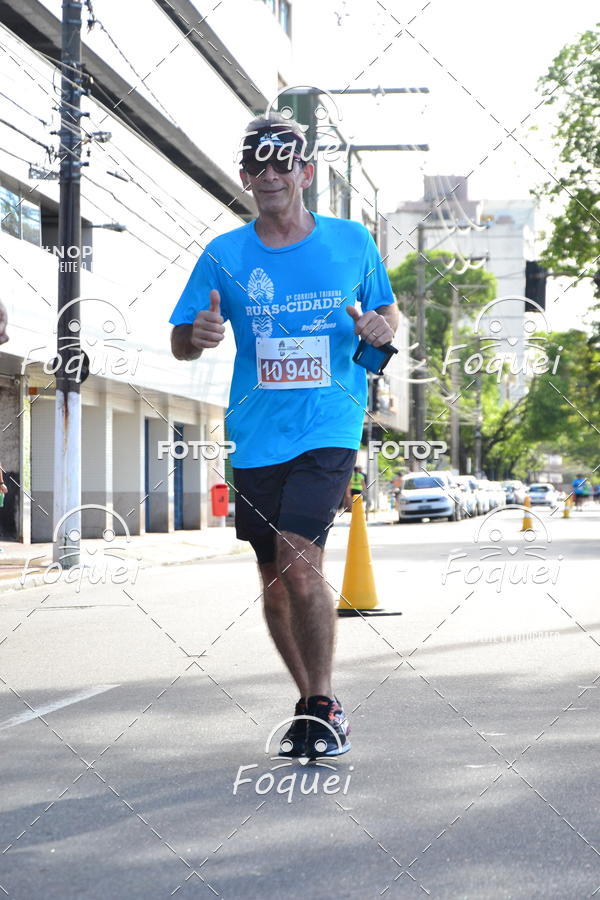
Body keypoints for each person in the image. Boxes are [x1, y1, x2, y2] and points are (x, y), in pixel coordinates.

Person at [169, 114, 398, 758]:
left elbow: (385, 311)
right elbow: (181, 340)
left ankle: (326, 703)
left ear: (305, 172)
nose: (269, 176)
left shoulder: (352, 242)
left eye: (282, 164)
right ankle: (306, 701)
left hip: (329, 421)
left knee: (301, 560)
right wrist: (197, 337)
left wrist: (379, 329)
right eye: (257, 166)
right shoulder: (224, 255)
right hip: (256, 431)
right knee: (274, 577)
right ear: (245, 177)